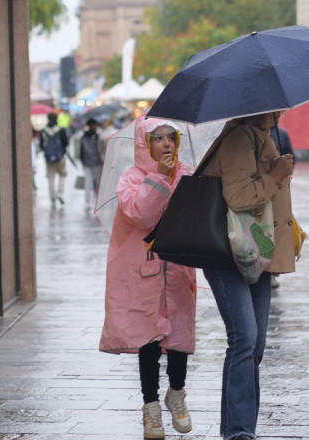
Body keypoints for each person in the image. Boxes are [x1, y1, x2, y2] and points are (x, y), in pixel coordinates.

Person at [99, 117, 196, 440]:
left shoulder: (186, 174)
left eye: (172, 138)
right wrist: (160, 178)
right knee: (149, 341)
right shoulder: (131, 179)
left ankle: (177, 393)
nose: (166, 144)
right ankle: (151, 408)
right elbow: (141, 213)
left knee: (180, 337)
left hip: (178, 270)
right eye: (158, 139)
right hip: (144, 273)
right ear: (145, 145)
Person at [201, 111, 295, 440]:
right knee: (244, 338)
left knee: (254, 345)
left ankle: (241, 428)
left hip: (257, 251)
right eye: (276, 105)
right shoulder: (240, 138)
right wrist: (276, 175)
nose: (282, 110)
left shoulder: (264, 138)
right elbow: (238, 197)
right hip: (228, 253)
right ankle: (238, 432)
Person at [269, 124, 294, 290]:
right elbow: (292, 159)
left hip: (271, 188)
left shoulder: (281, 134)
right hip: (274, 189)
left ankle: (272, 270)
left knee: (272, 228)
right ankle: (273, 271)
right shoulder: (281, 133)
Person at [40, 112, 70, 208]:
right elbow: (66, 143)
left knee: (51, 178)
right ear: (57, 119)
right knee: (63, 174)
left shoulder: (44, 130)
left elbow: (41, 145)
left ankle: (52, 198)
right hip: (60, 157)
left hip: (48, 158)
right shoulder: (61, 129)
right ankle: (60, 192)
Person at [77, 118, 105, 211]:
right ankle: (98, 202)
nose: (96, 126)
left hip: (87, 163)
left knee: (87, 183)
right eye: (95, 125)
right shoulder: (97, 137)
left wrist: (82, 161)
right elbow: (100, 150)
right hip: (96, 163)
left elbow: (81, 152)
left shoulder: (83, 137)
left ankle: (87, 203)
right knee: (98, 183)